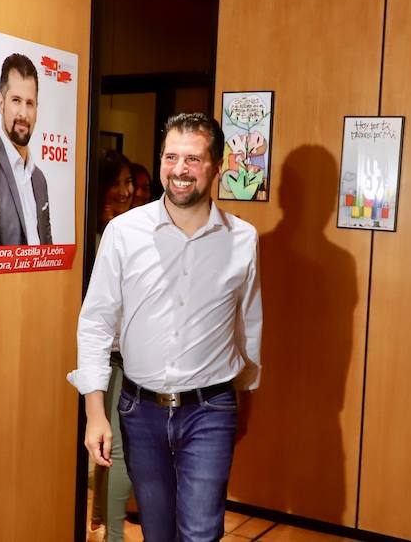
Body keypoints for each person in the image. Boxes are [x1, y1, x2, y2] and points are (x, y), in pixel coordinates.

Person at [69, 112, 262, 542]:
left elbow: (248, 327)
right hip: (140, 412)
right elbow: (96, 323)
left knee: (198, 533)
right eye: (171, 156)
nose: (179, 170)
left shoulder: (243, 239)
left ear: (215, 165)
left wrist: (244, 402)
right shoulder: (124, 232)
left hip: (210, 410)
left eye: (193, 159)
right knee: (156, 532)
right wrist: (94, 413)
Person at [88, 150, 133, 542]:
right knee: (112, 446)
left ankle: (100, 519)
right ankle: (112, 532)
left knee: (107, 445)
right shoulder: (101, 235)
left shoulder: (128, 230)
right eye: (116, 183)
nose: (125, 191)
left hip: (121, 351)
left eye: (128, 183)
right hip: (108, 352)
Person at [0, 53, 52, 246]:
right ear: (1, 102)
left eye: (29, 103)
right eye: (16, 100)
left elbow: (48, 254)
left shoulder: (39, 180)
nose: (23, 113)